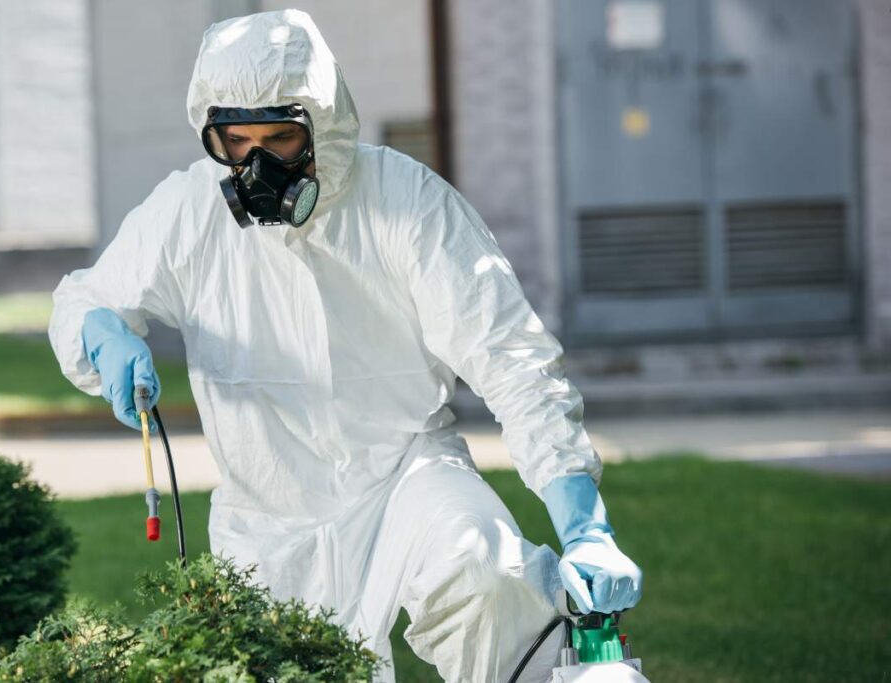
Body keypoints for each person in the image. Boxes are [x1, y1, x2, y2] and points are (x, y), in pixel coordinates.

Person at [48, 10, 641, 682]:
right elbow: (82, 299)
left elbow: (512, 358)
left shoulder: (405, 203)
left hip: (408, 477)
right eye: (236, 142)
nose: (258, 164)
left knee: (487, 578)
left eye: (280, 138)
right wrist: (102, 333)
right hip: (267, 518)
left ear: (322, 127)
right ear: (210, 134)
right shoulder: (189, 215)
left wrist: (584, 523)